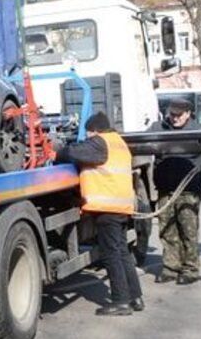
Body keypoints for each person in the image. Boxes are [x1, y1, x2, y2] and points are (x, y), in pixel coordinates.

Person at [57, 112, 143, 315]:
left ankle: (121, 301)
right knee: (122, 253)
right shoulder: (118, 142)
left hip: (107, 209)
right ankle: (135, 297)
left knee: (111, 254)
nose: (87, 137)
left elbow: (72, 153)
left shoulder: (99, 143)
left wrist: (55, 151)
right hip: (120, 206)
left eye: (88, 133)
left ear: (95, 130)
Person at [147, 98, 201, 285]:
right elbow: (142, 142)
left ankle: (190, 268)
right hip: (166, 188)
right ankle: (171, 267)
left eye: (178, 115)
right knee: (167, 230)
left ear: (188, 114)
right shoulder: (158, 128)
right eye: (172, 115)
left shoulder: (198, 131)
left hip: (189, 189)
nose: (174, 119)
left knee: (188, 230)